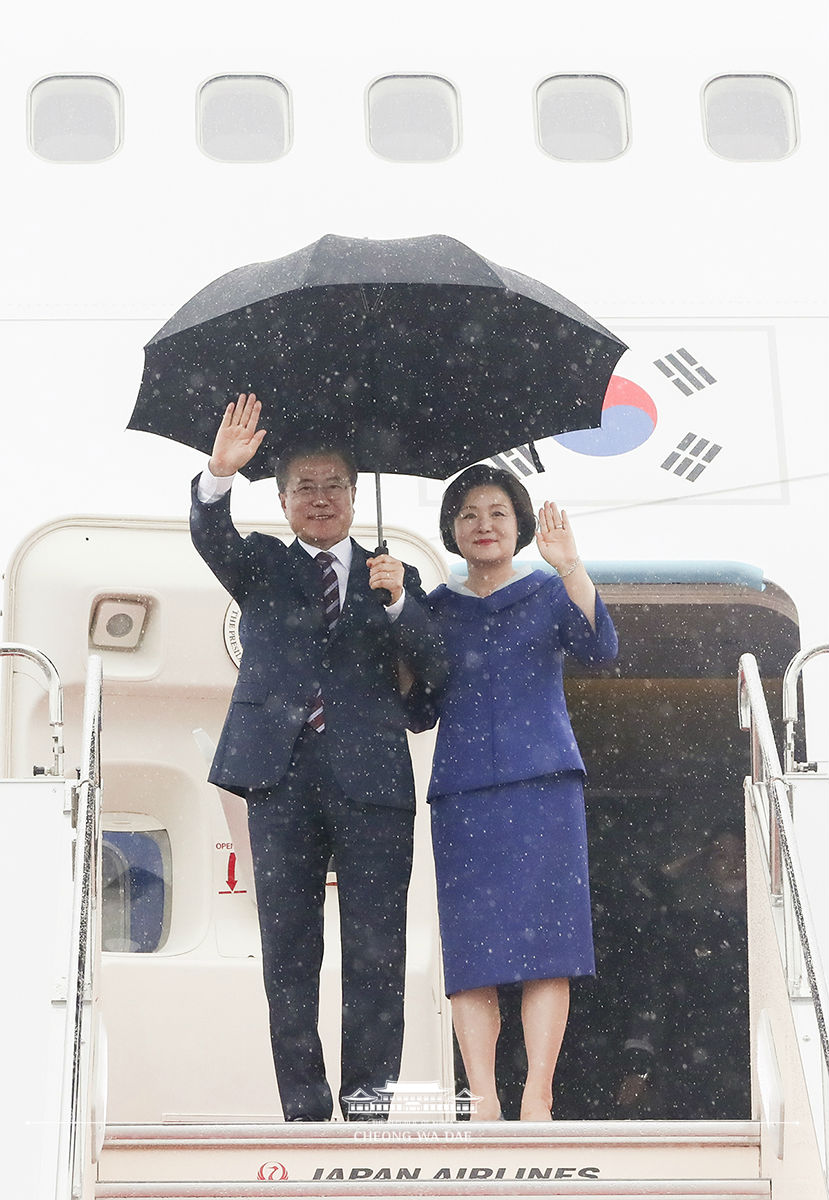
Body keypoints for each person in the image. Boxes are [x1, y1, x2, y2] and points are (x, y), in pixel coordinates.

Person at [189, 393, 446, 1123]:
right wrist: (216, 477)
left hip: (372, 784)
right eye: (305, 485)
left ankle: (368, 1111)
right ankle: (303, 1110)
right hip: (279, 777)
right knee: (289, 957)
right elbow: (211, 538)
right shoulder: (261, 564)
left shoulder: (393, 574)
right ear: (281, 498)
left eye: (334, 484)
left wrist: (399, 605)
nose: (321, 498)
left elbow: (435, 676)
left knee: (376, 955)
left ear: (356, 494)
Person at [421, 463, 618, 1122]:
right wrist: (392, 614)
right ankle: (481, 1098)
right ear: (451, 528)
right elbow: (414, 706)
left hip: (542, 788)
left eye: (497, 513)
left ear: (520, 526)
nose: (484, 525)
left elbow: (598, 646)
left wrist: (571, 568)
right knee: (472, 955)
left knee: (547, 949)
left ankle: (537, 1095)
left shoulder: (545, 592)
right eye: (469, 514)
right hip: (463, 793)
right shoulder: (433, 610)